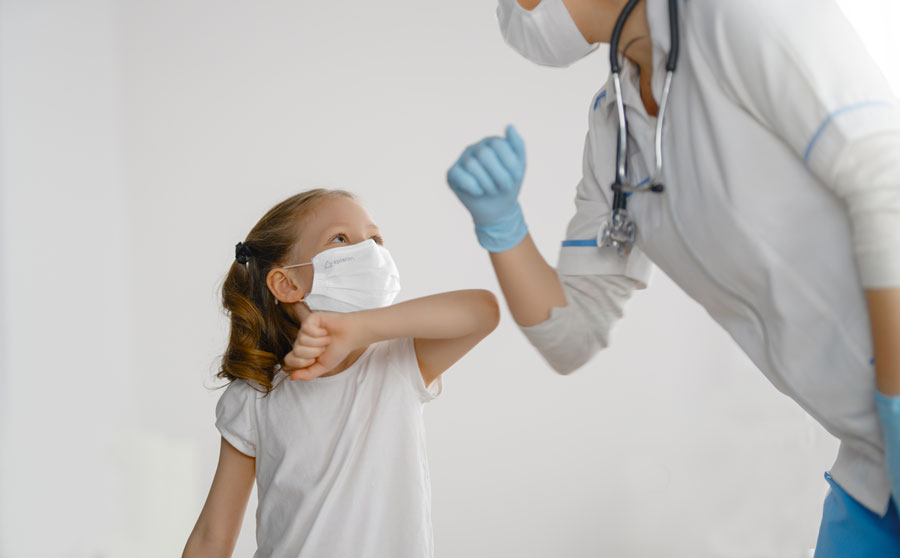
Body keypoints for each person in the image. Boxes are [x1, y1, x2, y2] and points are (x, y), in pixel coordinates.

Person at [446, 0, 900, 554]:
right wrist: (503, 226)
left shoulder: (739, 15)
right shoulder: (614, 126)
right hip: (869, 461)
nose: (510, 12)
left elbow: (886, 182)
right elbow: (573, 332)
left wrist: (896, 401)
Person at [182, 188, 500, 557]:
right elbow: (213, 536)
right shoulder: (256, 394)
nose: (370, 251)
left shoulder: (396, 363)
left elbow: (482, 311)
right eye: (340, 238)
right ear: (287, 283)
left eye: (375, 239)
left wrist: (359, 329)